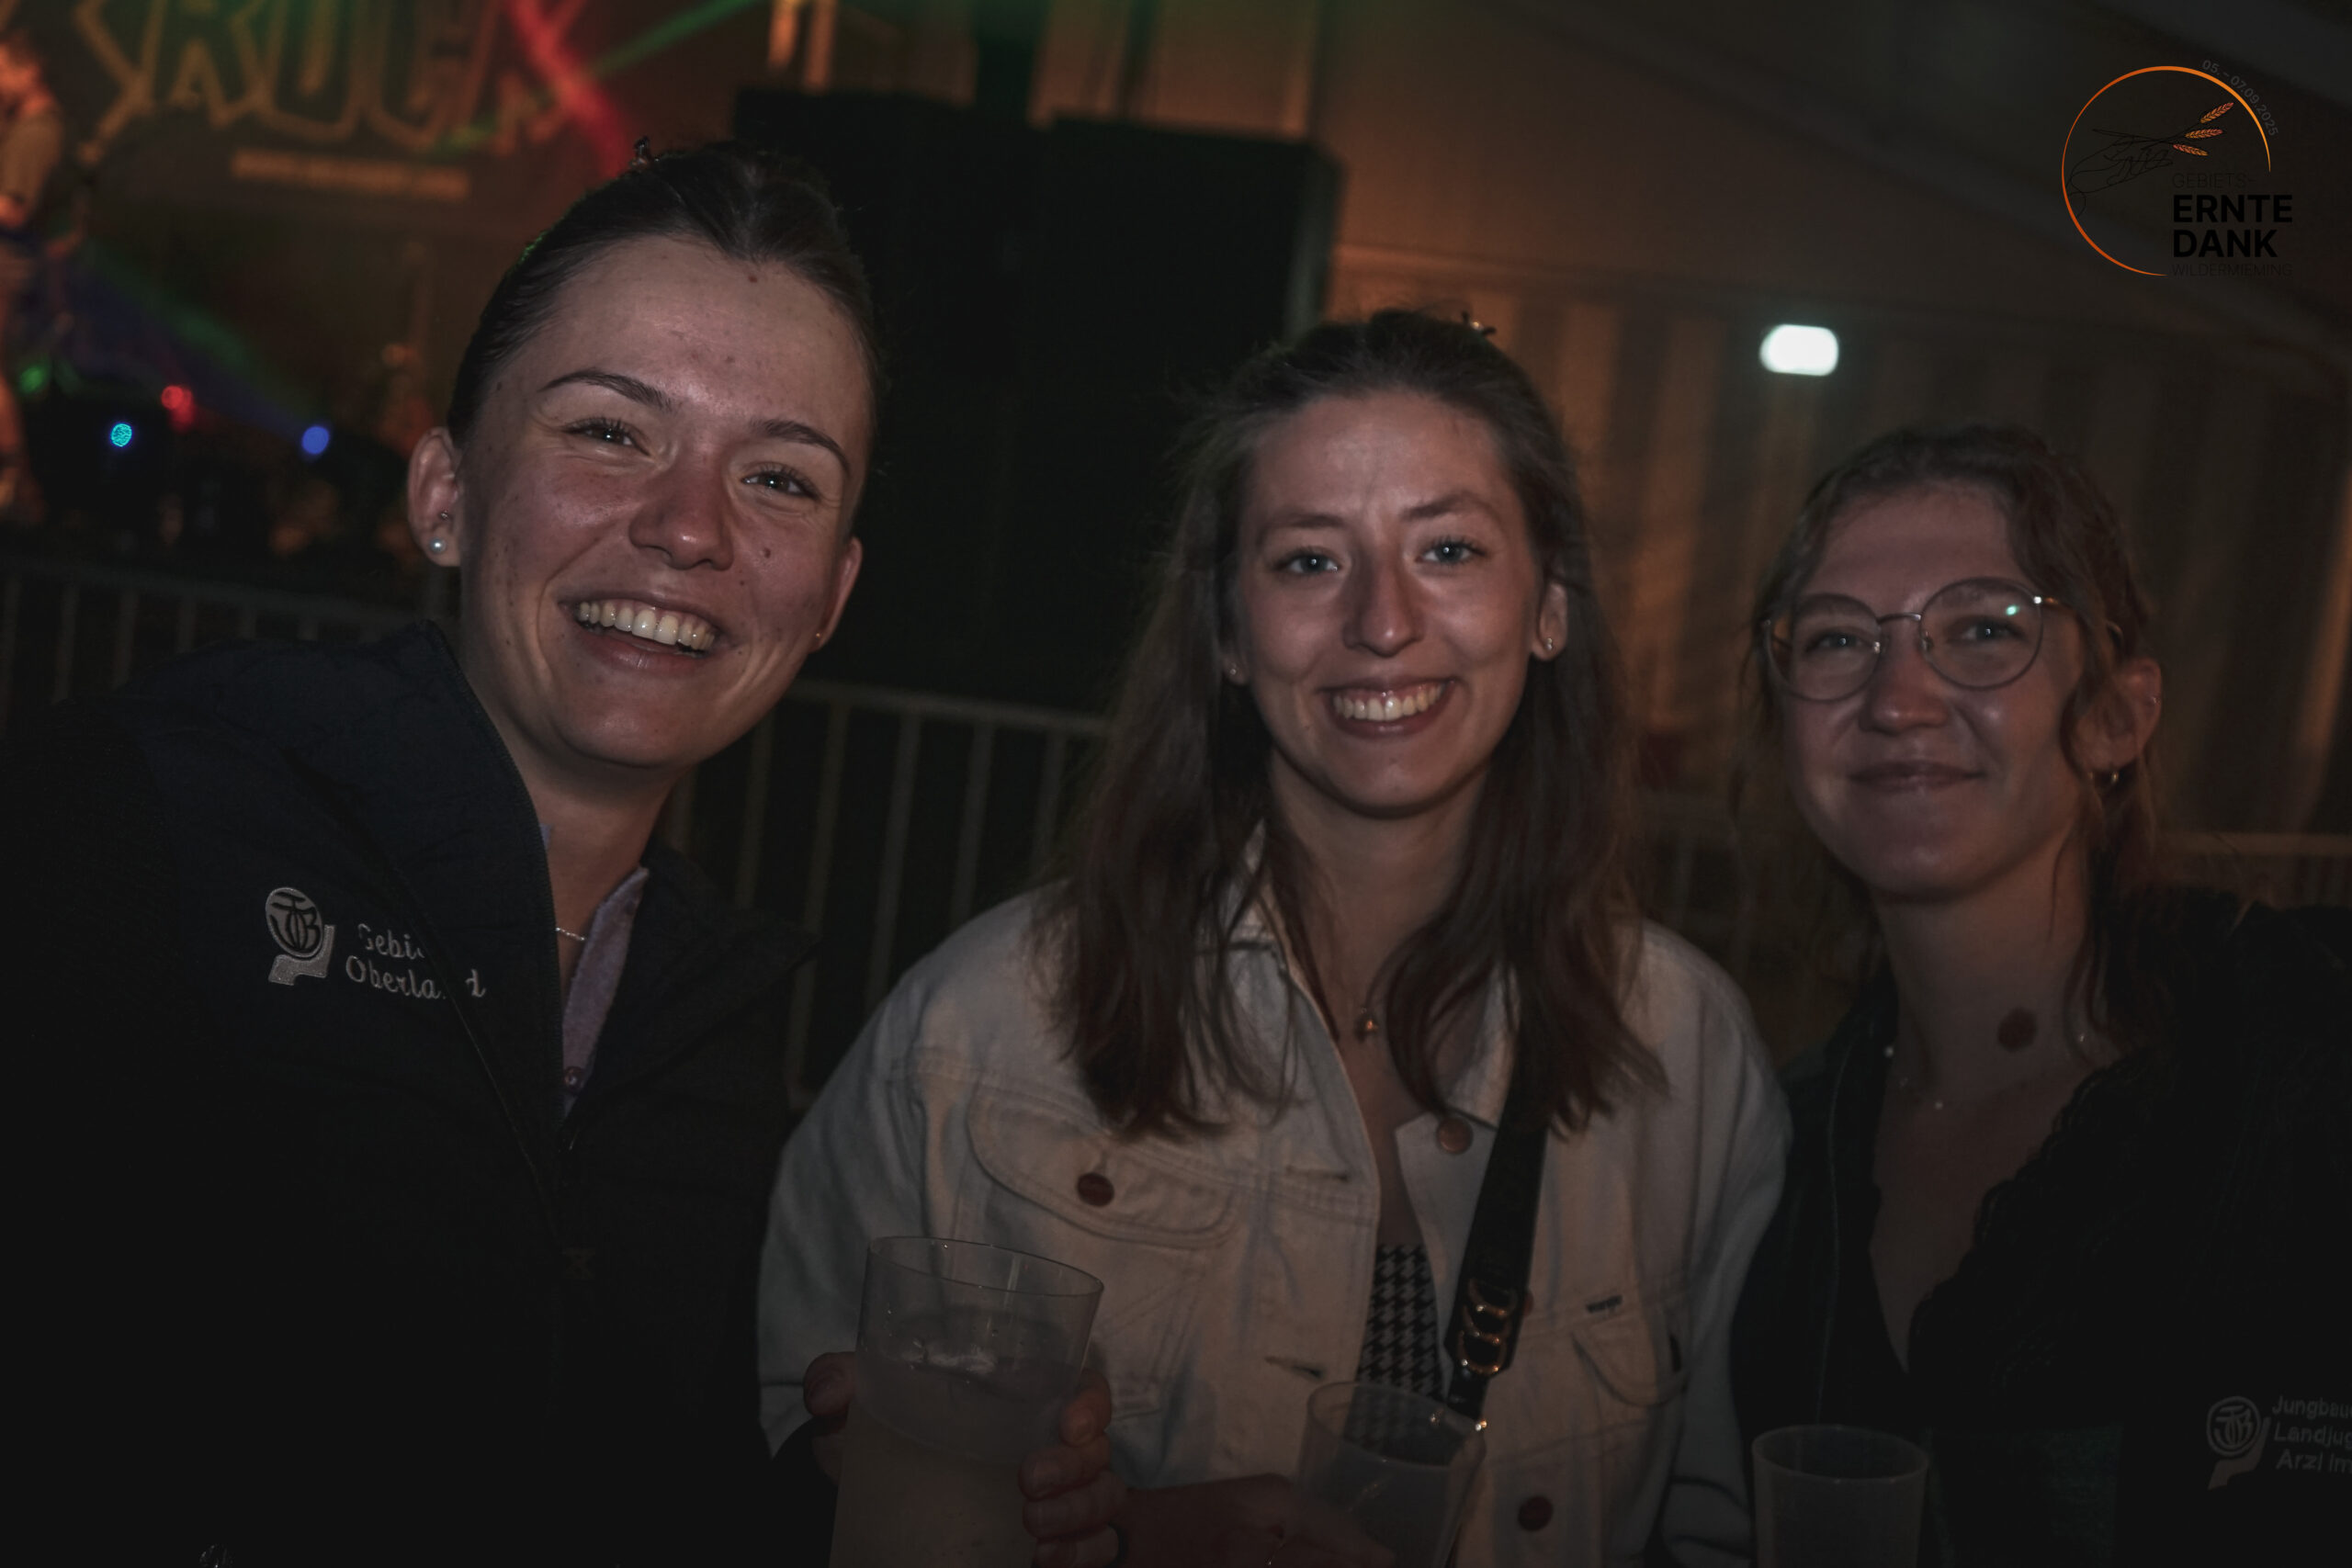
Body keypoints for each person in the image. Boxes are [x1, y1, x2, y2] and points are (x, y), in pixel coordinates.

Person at [5, 141, 1117, 1564]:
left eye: (780, 477)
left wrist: (830, 1485)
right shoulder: (139, 820)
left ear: (832, 594)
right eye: (609, 430)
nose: (690, 525)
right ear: (445, 491)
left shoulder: (706, 1026)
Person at [759, 310, 1791, 1566]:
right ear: (1228, 633)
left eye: (1449, 549)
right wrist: (1112, 1538)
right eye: (1308, 560)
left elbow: (1728, 1530)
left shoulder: (1686, 1050)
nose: (1383, 621)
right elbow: (782, 1452)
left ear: (1549, 606)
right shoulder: (983, 1026)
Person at [1728, 423, 2350, 1564]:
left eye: (1982, 630)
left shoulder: (2292, 1063)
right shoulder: (1783, 1141)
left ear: (2116, 716)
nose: (1897, 698)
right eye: (1836, 640)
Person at [0, 27, 62, 519]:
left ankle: (17, 483)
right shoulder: (20, 125)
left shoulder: (38, 132)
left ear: (30, 71)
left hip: (8, 269)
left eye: (2, 70)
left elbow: (14, 209)